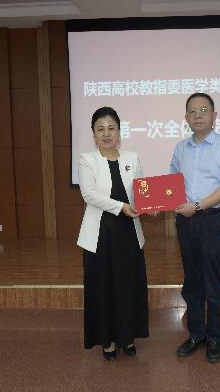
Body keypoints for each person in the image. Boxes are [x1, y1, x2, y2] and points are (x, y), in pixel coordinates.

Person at [170, 93, 220, 363]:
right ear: (186, 117)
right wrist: (157, 202)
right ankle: (196, 334)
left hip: (215, 220)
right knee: (192, 282)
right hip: (187, 222)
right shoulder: (181, 148)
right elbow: (172, 187)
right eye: (192, 111)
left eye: (203, 110)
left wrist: (198, 206)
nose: (198, 115)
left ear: (214, 115)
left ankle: (214, 338)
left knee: (213, 282)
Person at [77, 106, 149, 361]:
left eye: (111, 128)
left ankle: (127, 337)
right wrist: (121, 207)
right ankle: (106, 340)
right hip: (100, 236)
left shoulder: (132, 157)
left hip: (129, 235)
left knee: (128, 285)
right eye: (100, 129)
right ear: (94, 134)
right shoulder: (87, 160)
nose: (106, 133)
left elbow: (141, 191)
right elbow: (89, 194)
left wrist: (150, 205)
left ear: (119, 132)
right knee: (103, 288)